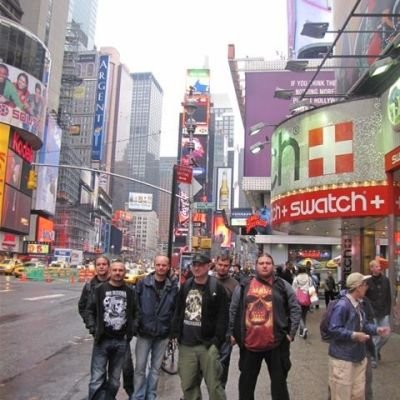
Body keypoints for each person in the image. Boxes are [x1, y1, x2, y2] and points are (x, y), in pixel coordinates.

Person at [229, 253, 301, 400]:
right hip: (249, 344)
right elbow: (234, 309)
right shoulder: (244, 286)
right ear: (256, 266)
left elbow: (295, 307)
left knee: (279, 386)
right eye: (261, 263)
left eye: (268, 263)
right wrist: (232, 332)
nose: (265, 266)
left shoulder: (282, 285)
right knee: (246, 385)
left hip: (276, 344)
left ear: (273, 266)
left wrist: (291, 333)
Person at [172, 252, 228, 400]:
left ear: (208, 266)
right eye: (194, 265)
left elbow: (223, 316)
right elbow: (178, 310)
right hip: (186, 344)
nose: (197, 268)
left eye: (201, 265)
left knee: (214, 386)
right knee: (188, 384)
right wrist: (176, 333)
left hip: (207, 345)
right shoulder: (186, 286)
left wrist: (216, 341)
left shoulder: (216, 287)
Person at [78, 255, 134, 398]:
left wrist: (131, 330)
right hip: (102, 337)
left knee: (121, 374)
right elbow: (86, 309)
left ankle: (128, 393)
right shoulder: (93, 287)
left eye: (104, 264)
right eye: (99, 264)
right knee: (98, 377)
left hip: (122, 339)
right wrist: (93, 327)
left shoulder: (129, 291)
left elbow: (135, 312)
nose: (102, 267)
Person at [327, 272, 390, 400]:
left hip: (358, 357)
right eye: (364, 284)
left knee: (358, 395)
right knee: (341, 395)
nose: (367, 287)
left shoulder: (359, 304)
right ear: (358, 287)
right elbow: (333, 329)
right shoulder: (342, 305)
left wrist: (377, 330)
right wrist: (354, 335)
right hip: (343, 359)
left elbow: (363, 325)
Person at [133, 255, 178, 400]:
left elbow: (175, 310)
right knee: (140, 368)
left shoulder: (173, 287)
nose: (161, 268)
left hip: (162, 333)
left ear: (168, 267)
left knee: (155, 369)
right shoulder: (142, 284)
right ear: (154, 265)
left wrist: (171, 330)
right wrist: (138, 325)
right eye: (158, 265)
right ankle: (138, 396)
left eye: (164, 265)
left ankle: (151, 395)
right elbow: (136, 306)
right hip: (144, 332)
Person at [214, 253, 239, 388]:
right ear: (215, 264)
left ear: (230, 266)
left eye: (226, 265)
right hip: (208, 330)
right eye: (220, 265)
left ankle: (220, 392)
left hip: (226, 332)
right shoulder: (207, 280)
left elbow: (238, 310)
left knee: (223, 364)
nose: (222, 268)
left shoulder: (235, 285)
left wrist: (234, 332)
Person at [365, 259, 392, 368]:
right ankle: (373, 358)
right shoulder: (368, 281)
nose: (379, 268)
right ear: (371, 268)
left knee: (386, 336)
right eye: (376, 266)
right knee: (375, 335)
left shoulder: (386, 280)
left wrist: (388, 310)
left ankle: (375, 350)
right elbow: (365, 298)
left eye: (379, 266)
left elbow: (388, 296)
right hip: (373, 313)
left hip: (384, 312)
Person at [292, 265, 313, 339]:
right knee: (304, 315)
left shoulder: (296, 278)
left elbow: (293, 289)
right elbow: (311, 288)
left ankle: (303, 328)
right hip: (307, 299)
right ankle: (302, 331)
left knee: (299, 315)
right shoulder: (309, 278)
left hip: (298, 299)